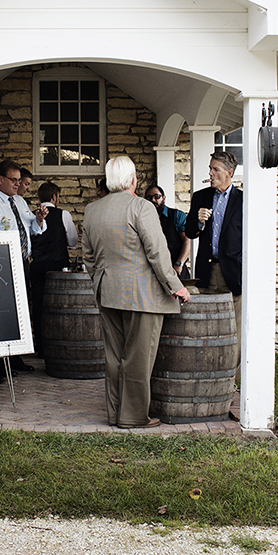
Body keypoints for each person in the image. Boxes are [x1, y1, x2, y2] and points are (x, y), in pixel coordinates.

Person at [81, 155, 189, 428]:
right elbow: (157, 252)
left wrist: (100, 282)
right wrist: (176, 286)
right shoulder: (141, 207)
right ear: (132, 180)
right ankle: (133, 416)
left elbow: (88, 257)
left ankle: (115, 413)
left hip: (108, 291)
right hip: (143, 295)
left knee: (114, 357)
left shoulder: (92, 210)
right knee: (138, 359)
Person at [0, 158, 49, 375]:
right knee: (5, 312)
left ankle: (16, 357)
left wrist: (38, 218)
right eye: (14, 180)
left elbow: (34, 228)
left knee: (21, 310)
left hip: (22, 263)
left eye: (19, 180)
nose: (18, 184)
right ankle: (2, 360)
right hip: (2, 265)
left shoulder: (19, 202)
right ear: (0, 179)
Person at [185, 150, 242, 325]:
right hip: (207, 270)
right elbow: (189, 231)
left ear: (229, 173)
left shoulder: (243, 200)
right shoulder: (200, 197)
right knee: (207, 322)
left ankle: (235, 355)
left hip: (233, 271)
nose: (210, 173)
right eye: (210, 168)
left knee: (233, 323)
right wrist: (199, 222)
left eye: (215, 169)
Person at [28, 181, 78, 365]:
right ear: (54, 197)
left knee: (39, 306)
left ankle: (41, 347)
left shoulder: (31, 215)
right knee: (60, 307)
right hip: (58, 267)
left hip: (38, 266)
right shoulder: (63, 214)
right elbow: (72, 242)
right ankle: (59, 345)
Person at [145, 184, 192, 279]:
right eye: (149, 197)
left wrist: (179, 263)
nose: (153, 200)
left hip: (176, 270)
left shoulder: (177, 216)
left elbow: (188, 241)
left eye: (157, 196)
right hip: (151, 273)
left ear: (164, 198)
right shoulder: (143, 219)